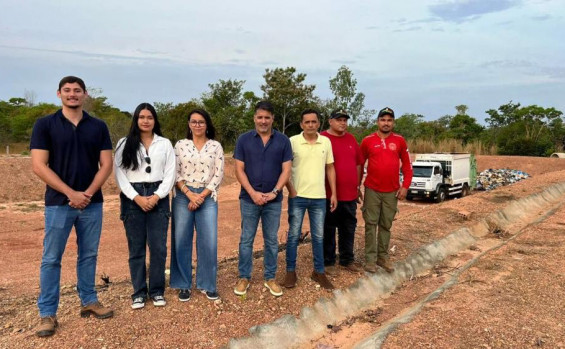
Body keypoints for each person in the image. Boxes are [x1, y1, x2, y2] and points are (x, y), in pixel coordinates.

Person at [30, 76, 114, 338]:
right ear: (59, 94)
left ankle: (89, 301)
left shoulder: (98, 126)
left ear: (85, 94)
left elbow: (107, 165)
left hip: (92, 203)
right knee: (51, 258)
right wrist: (70, 193)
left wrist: (87, 193)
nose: (72, 95)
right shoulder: (45, 125)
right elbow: (39, 165)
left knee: (88, 255)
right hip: (58, 204)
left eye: (77, 91)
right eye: (67, 91)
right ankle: (47, 313)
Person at [114, 103, 175, 309]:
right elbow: (119, 174)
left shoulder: (165, 143)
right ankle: (138, 292)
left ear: (155, 120)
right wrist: (136, 197)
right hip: (133, 198)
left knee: (158, 248)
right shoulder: (124, 143)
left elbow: (170, 174)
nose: (146, 121)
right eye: (142, 117)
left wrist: (157, 196)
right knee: (136, 248)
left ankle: (157, 291)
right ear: (136, 119)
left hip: (159, 196)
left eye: (150, 117)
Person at [233, 101, 292, 297]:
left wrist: (275, 191)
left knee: (272, 240)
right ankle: (244, 277)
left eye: (267, 117)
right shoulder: (244, 140)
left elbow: (286, 170)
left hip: (273, 200)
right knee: (246, 239)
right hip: (249, 199)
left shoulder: (283, 141)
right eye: (260, 117)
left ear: (273, 119)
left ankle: (270, 278)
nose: (263, 121)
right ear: (254, 118)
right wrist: (252, 193)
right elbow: (239, 169)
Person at [170, 109, 224, 301]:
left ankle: (207, 283)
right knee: (181, 239)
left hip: (207, 195)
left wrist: (201, 196)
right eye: (194, 121)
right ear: (189, 124)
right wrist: (189, 194)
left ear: (207, 124)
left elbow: (218, 174)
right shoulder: (180, 145)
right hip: (183, 195)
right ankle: (183, 284)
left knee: (208, 241)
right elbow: (174, 172)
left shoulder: (215, 146)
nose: (198, 125)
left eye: (201, 122)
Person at [284, 109, 337, 290]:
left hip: (319, 198)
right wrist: (290, 189)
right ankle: (290, 271)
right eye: (307, 122)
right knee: (293, 236)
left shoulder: (326, 142)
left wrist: (334, 194)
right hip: (297, 197)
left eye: (314, 122)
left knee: (319, 236)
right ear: (301, 124)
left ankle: (319, 272)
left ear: (318, 123)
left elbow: (330, 168)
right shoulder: (292, 142)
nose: (311, 125)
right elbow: (285, 168)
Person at [360, 107, 413, 273]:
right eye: (383, 120)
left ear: (393, 123)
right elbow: (360, 165)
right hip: (372, 189)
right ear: (377, 122)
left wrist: (405, 186)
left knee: (385, 225)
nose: (386, 123)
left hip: (391, 191)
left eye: (389, 120)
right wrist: (356, 185)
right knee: (370, 224)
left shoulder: (399, 141)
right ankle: (370, 259)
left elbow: (407, 165)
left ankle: (382, 257)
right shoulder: (367, 141)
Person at [321, 109, 364, 275]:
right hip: (328, 194)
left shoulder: (351, 139)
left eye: (345, 120)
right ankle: (329, 262)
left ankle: (347, 259)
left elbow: (359, 163)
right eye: (339, 120)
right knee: (329, 228)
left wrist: (357, 185)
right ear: (330, 121)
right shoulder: (323, 138)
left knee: (348, 227)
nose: (343, 123)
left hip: (349, 194)